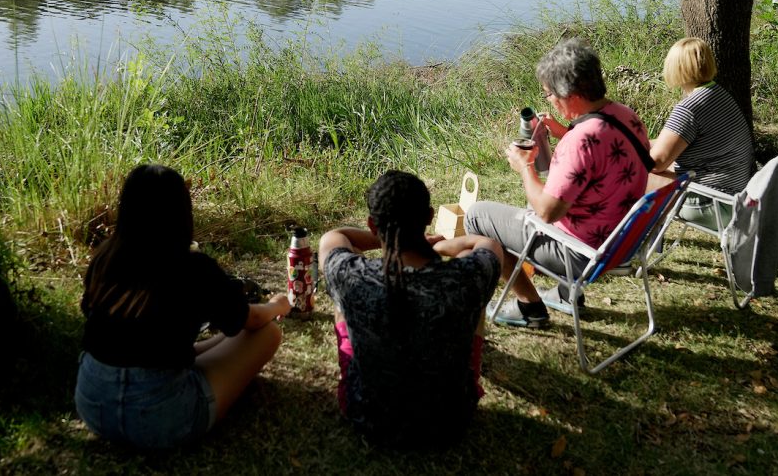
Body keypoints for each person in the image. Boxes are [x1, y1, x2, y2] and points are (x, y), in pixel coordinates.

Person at [74, 164, 291, 450]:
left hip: (93, 405)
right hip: (161, 418)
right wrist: (276, 305)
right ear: (181, 213)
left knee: (216, 339)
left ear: (127, 209)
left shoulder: (105, 258)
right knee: (267, 334)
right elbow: (249, 320)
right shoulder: (193, 269)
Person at [438, 38, 651, 328]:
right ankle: (565, 295)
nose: (548, 100)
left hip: (580, 254)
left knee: (478, 216)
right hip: (620, 241)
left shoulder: (582, 141)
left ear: (570, 94)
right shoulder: (624, 115)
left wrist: (525, 167)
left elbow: (549, 212)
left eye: (550, 94)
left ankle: (530, 306)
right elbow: (599, 160)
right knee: (528, 203)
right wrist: (566, 131)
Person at [319, 170, 501, 444]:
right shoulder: (462, 279)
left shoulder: (354, 276)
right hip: (451, 421)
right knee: (472, 274)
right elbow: (487, 244)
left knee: (342, 290)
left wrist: (385, 237)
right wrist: (440, 245)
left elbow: (334, 237)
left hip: (368, 416)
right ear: (429, 217)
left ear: (371, 224)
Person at [648, 38, 754, 228]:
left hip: (714, 204)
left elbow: (656, 163)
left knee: (634, 175)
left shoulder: (689, 108)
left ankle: (627, 241)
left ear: (675, 68)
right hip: (736, 195)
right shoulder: (718, 94)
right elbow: (671, 143)